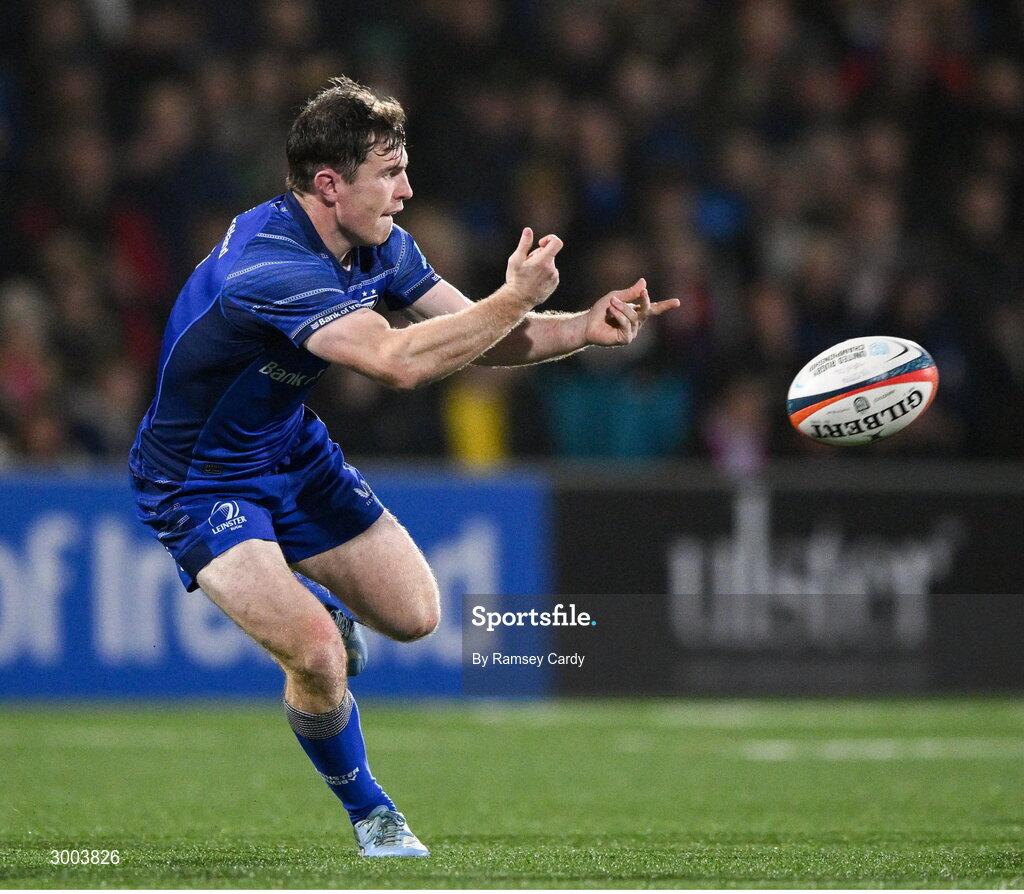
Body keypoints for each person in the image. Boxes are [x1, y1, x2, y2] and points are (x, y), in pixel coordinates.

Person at [128, 75, 678, 858]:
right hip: (197, 481)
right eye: (389, 172)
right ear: (329, 183)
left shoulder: (378, 242)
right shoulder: (270, 266)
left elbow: (480, 335)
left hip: (288, 448)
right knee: (318, 656)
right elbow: (396, 363)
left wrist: (581, 326)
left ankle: (303, 588)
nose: (407, 190)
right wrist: (514, 297)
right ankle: (373, 813)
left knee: (416, 614)